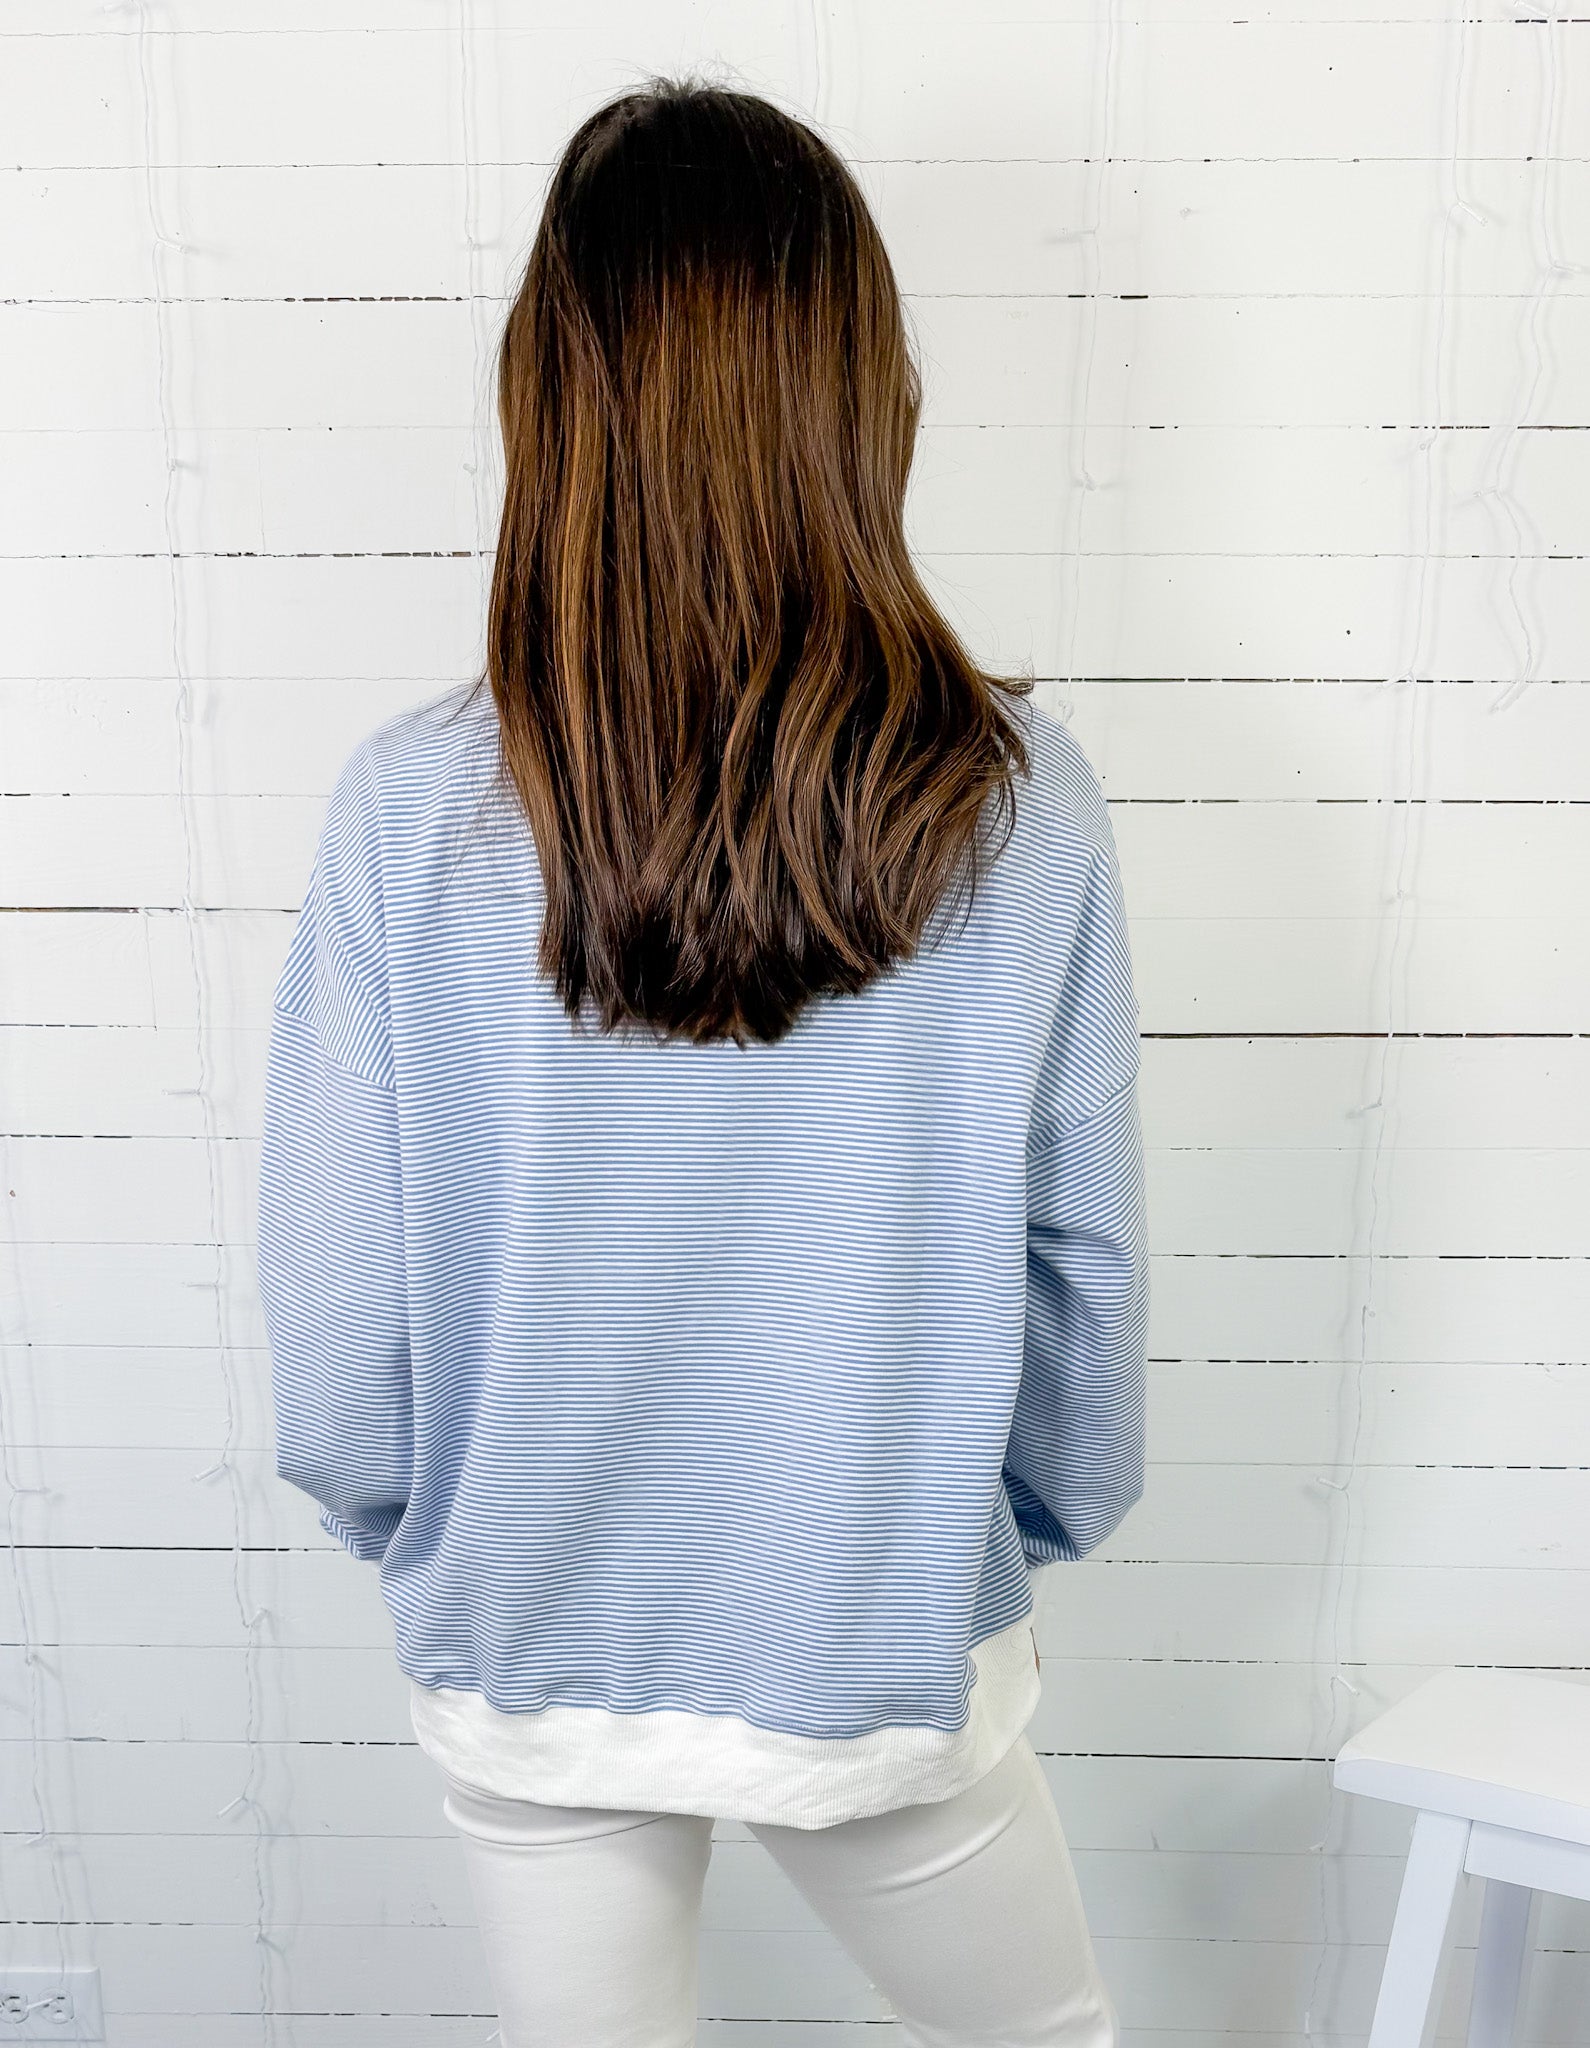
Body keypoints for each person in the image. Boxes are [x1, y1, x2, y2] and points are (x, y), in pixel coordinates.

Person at [256, 74, 1148, 2048]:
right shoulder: (1018, 806)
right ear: (859, 394)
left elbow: (336, 1324)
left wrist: (429, 1526)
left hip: (527, 1629)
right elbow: (1078, 1281)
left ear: (549, 401)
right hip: (882, 1626)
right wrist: (992, 1534)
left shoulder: (409, 811)